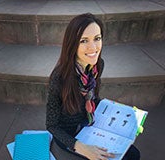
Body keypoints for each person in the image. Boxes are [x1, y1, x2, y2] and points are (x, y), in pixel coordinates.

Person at [46, 13, 140, 160]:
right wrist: (80, 147)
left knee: (133, 154)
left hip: (90, 123)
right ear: (72, 45)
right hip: (69, 135)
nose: (93, 47)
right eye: (84, 41)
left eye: (97, 38)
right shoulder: (60, 78)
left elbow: (93, 98)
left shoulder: (97, 66)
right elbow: (51, 125)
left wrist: (122, 114)